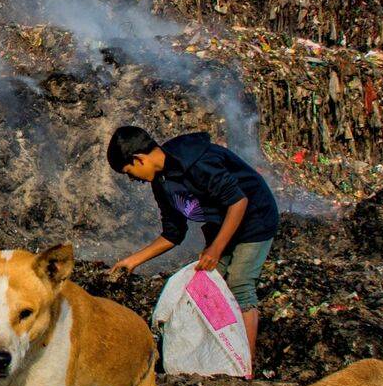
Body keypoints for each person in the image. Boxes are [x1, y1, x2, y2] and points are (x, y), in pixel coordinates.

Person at [107, 126, 278, 358]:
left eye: (129, 172)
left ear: (138, 159)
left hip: (254, 219)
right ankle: (220, 349)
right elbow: (173, 233)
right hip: (221, 225)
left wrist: (216, 248)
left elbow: (238, 202)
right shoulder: (162, 183)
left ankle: (245, 363)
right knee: (212, 283)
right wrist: (133, 261)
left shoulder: (198, 162)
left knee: (239, 282)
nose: (131, 179)